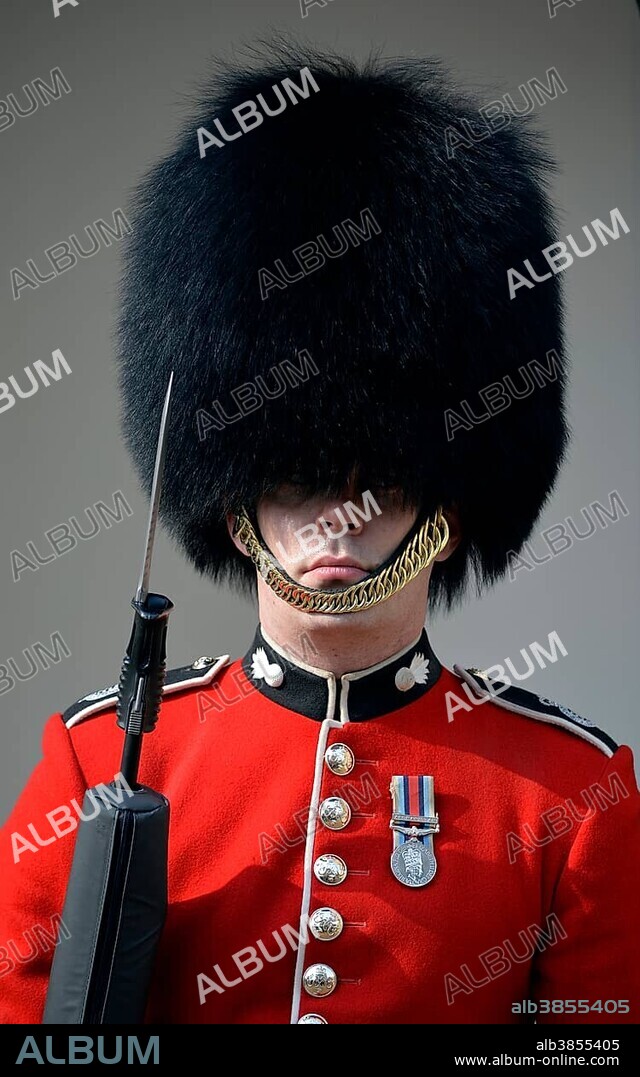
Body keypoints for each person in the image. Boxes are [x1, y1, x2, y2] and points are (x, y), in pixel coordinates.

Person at [0, 43, 637, 1026]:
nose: (335, 520)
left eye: (380, 483)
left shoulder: (573, 791)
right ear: (235, 499)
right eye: (295, 479)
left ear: (450, 507)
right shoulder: (106, 758)